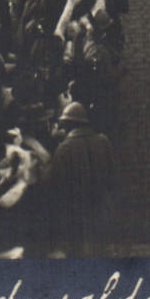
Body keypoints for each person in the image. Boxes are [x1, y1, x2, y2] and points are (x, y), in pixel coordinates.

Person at [47, 102, 115, 256]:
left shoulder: (64, 149)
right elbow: (113, 175)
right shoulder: (103, 141)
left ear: (68, 125)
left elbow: (57, 185)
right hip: (102, 206)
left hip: (77, 211)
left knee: (82, 252)